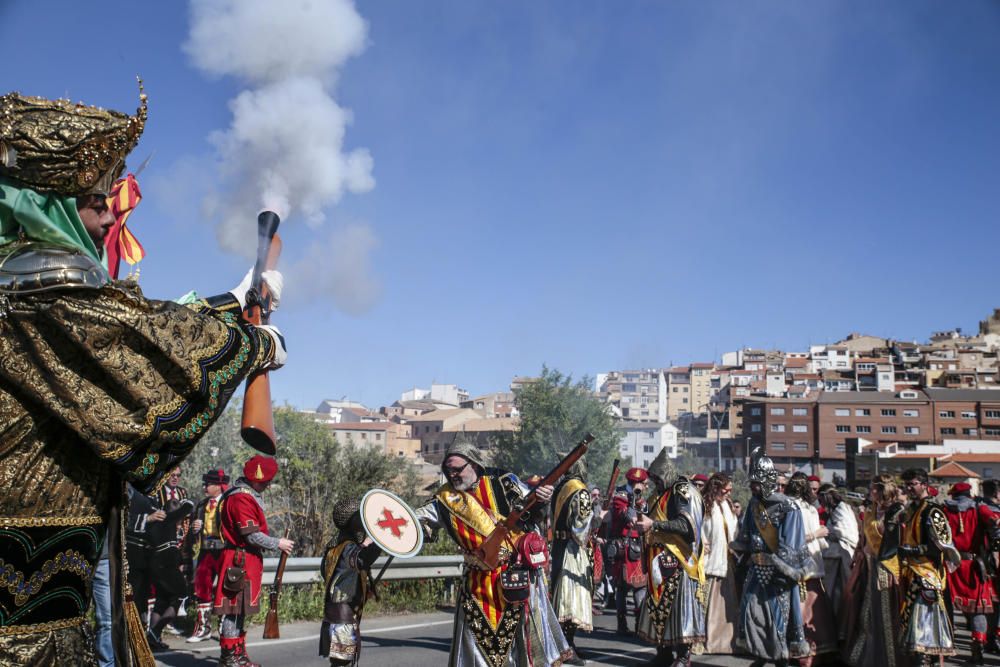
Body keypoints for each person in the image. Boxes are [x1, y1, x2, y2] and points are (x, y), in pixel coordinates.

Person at [0, 87, 288, 665]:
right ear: (46, 203)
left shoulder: (28, 284)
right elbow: (140, 346)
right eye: (95, 198)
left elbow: (135, 323)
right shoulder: (42, 289)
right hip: (29, 598)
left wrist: (233, 301)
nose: (110, 213)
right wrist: (255, 343)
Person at [415, 435, 572, 667]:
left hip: (516, 577)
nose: (453, 475)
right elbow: (415, 520)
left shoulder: (504, 481)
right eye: (449, 471)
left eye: (458, 469)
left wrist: (542, 499)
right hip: (477, 584)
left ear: (474, 465)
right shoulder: (444, 500)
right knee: (477, 647)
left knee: (523, 644)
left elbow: (531, 511)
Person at [733, 448, 813, 667]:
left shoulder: (789, 508)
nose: (752, 487)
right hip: (756, 569)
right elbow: (747, 535)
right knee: (750, 613)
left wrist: (779, 565)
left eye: (756, 483)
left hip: (780, 573)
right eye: (752, 482)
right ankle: (761, 655)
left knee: (780, 619)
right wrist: (742, 549)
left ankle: (780, 661)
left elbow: (792, 545)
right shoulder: (753, 505)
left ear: (767, 482)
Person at [214, 455, 295, 667]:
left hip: (244, 561)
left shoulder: (246, 495)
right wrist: (278, 543)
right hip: (237, 562)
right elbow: (251, 536)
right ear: (256, 479)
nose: (268, 484)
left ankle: (238, 656)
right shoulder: (241, 498)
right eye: (266, 480)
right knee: (232, 610)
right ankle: (230, 658)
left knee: (240, 611)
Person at [635, 449, 706, 667]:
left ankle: (683, 656)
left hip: (679, 560)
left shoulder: (682, 490)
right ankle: (663, 653)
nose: (654, 482)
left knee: (679, 609)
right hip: (657, 561)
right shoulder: (659, 494)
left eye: (657, 477)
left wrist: (653, 524)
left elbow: (687, 526)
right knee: (659, 608)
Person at [842, 475, 906, 667]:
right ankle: (867, 655)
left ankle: (890, 660)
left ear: (884, 490)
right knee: (867, 613)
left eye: (874, 489)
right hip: (869, 566)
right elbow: (863, 539)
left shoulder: (897, 512)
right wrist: (860, 553)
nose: (870, 492)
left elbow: (899, 542)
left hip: (888, 568)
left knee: (886, 614)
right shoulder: (870, 511)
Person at [898, 468, 960, 665]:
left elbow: (939, 547)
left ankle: (926, 660)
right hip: (911, 572)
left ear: (924, 485)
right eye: (906, 484)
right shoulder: (910, 509)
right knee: (914, 626)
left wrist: (912, 551)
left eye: (913, 484)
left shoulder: (933, 511)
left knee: (924, 627)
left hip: (928, 574)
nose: (908, 488)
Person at [319, 498, 383, 666]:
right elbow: (362, 560)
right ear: (352, 522)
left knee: (339, 663)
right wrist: (382, 539)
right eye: (359, 516)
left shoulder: (334, 546)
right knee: (342, 664)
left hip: (335, 613)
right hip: (342, 617)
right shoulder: (347, 548)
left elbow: (327, 573)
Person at [784, 472, 837, 665]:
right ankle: (800, 652)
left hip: (812, 566)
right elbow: (793, 539)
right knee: (801, 609)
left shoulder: (808, 508)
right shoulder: (791, 508)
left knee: (812, 609)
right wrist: (817, 534)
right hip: (798, 565)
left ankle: (813, 651)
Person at [943, 481, 995, 664]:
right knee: (978, 608)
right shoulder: (979, 508)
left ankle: (946, 645)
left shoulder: (943, 509)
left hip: (950, 565)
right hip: (973, 564)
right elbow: (995, 523)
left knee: (946, 606)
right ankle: (977, 649)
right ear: (969, 493)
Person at [550, 457, 595, 665]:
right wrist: (598, 519)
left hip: (557, 547)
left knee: (561, 599)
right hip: (572, 549)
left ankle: (566, 644)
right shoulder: (580, 491)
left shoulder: (560, 487)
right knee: (571, 601)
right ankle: (566, 646)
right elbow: (581, 529)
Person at [145, 486, 195, 650]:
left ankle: (153, 639)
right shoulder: (167, 521)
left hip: (156, 566)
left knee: (161, 601)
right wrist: (186, 503)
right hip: (167, 566)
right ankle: (155, 632)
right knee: (180, 597)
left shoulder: (153, 525)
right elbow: (187, 508)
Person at [187, 468, 230, 643]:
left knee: (224, 588)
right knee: (201, 586)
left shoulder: (228, 503)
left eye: (209, 484)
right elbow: (191, 531)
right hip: (205, 550)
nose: (205, 486)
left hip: (224, 550)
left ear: (219, 486)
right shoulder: (201, 505)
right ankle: (203, 628)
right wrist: (194, 529)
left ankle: (225, 629)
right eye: (205, 483)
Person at [701, 472, 739, 655]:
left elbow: (734, 530)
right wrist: (700, 543)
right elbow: (696, 527)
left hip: (727, 561)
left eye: (730, 490)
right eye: (726, 490)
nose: (728, 494)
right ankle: (710, 641)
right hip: (710, 562)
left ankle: (727, 643)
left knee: (728, 604)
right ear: (715, 487)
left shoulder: (727, 505)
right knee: (711, 605)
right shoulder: (704, 505)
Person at [609, 467, 649, 635]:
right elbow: (630, 518)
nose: (646, 487)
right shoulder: (620, 496)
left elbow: (645, 516)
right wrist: (634, 497)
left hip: (638, 546)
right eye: (644, 484)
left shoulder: (641, 499)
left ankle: (639, 624)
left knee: (640, 587)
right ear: (637, 483)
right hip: (624, 547)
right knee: (622, 587)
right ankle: (622, 624)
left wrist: (638, 499)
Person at [817, 483, 859, 618]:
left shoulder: (842, 509)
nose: (820, 503)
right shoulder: (836, 510)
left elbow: (846, 532)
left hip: (842, 557)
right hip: (835, 558)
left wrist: (827, 531)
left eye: (821, 499)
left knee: (841, 593)